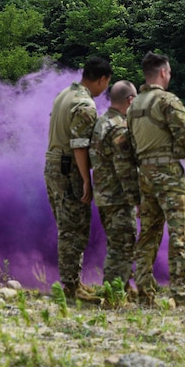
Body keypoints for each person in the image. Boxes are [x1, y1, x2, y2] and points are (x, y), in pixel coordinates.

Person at [128, 52, 185, 306]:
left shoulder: (134, 106)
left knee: (148, 235)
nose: (169, 76)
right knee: (180, 233)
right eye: (169, 72)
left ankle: (145, 293)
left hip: (144, 176)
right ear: (162, 72)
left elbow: (131, 145)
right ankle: (181, 294)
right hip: (168, 175)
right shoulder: (167, 101)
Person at [45, 56, 112, 302]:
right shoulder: (85, 105)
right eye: (106, 83)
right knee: (73, 230)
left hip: (52, 165)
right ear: (102, 79)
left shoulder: (64, 94)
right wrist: (86, 179)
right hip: (68, 169)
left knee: (67, 228)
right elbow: (80, 146)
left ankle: (74, 283)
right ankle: (71, 288)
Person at [91, 79, 140, 293]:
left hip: (103, 194)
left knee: (117, 242)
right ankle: (113, 293)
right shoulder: (119, 127)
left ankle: (125, 287)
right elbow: (125, 168)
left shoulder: (102, 122)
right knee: (122, 245)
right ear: (130, 100)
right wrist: (137, 200)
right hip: (118, 196)